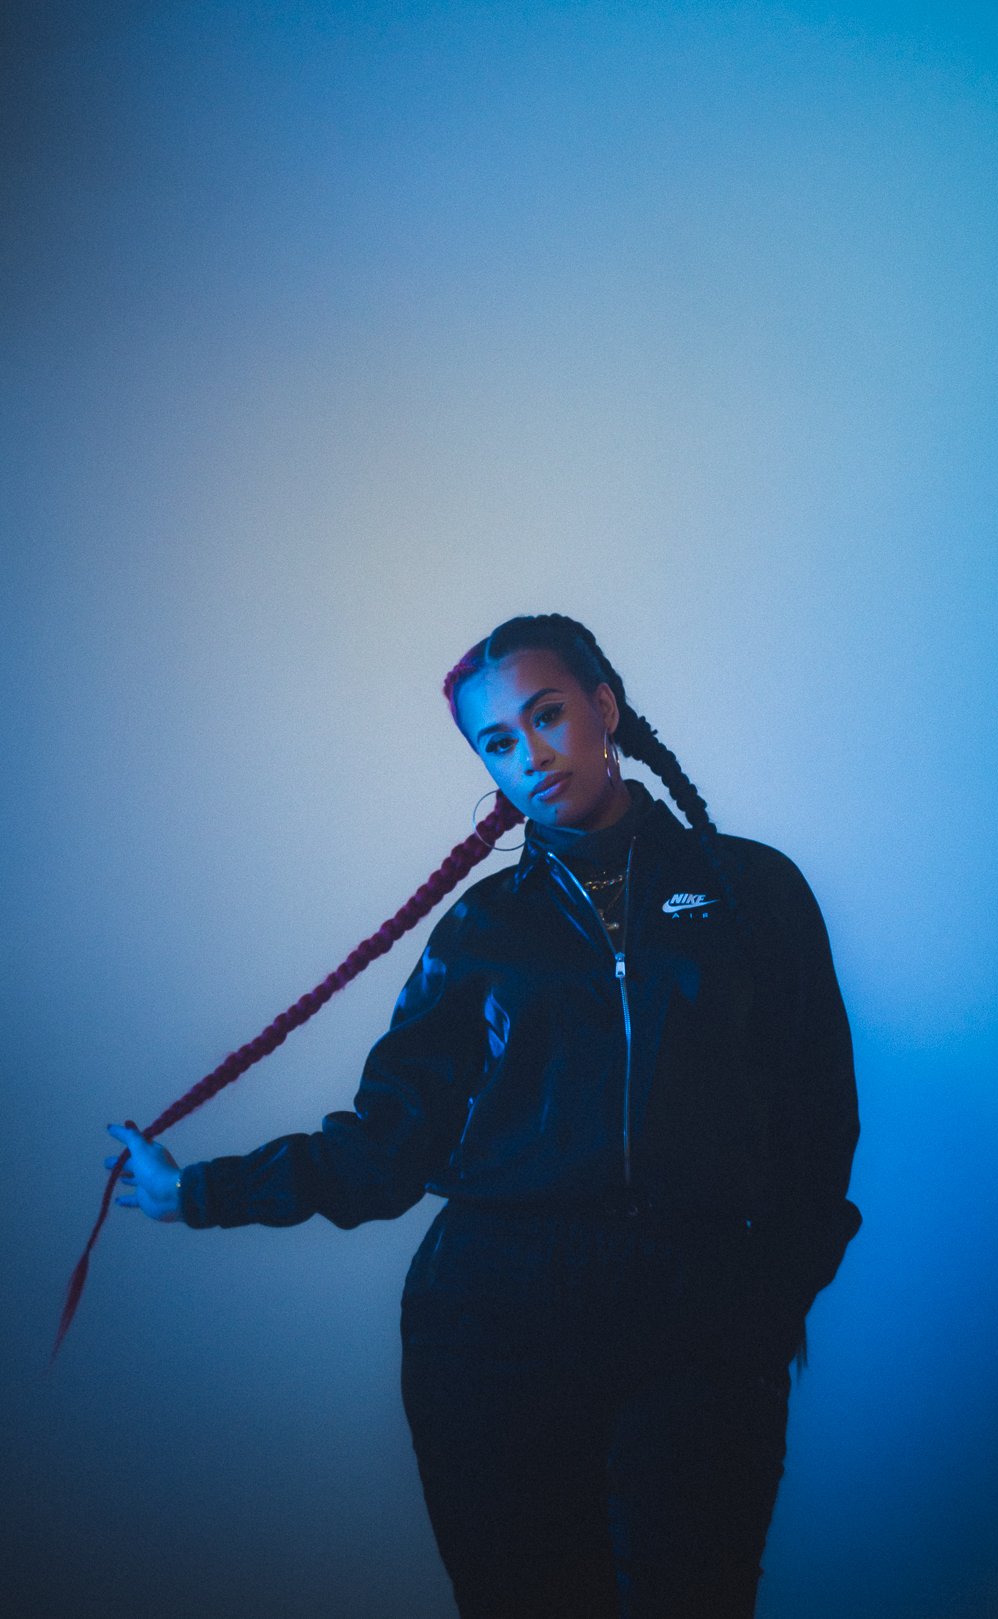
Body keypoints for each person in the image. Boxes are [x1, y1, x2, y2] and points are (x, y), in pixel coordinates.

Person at [103, 612, 861, 1619]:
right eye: (497, 741)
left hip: (702, 1323)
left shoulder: (751, 889)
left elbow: (817, 1111)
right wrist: (197, 1190)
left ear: (604, 707)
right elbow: (389, 1144)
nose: (530, 752)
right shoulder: (481, 928)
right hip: (496, 1331)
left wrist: (771, 1295)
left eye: (546, 715)